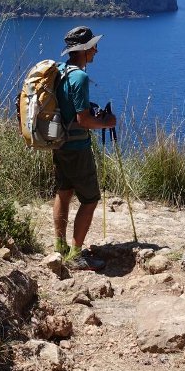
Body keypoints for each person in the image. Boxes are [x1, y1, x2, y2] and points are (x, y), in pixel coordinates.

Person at [52, 25, 116, 271]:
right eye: (93, 46)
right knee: (90, 199)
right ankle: (76, 254)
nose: (96, 51)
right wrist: (106, 122)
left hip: (59, 144)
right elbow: (83, 120)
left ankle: (60, 246)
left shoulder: (61, 71)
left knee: (64, 192)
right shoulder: (80, 76)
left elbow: (67, 106)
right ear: (84, 50)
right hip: (77, 147)